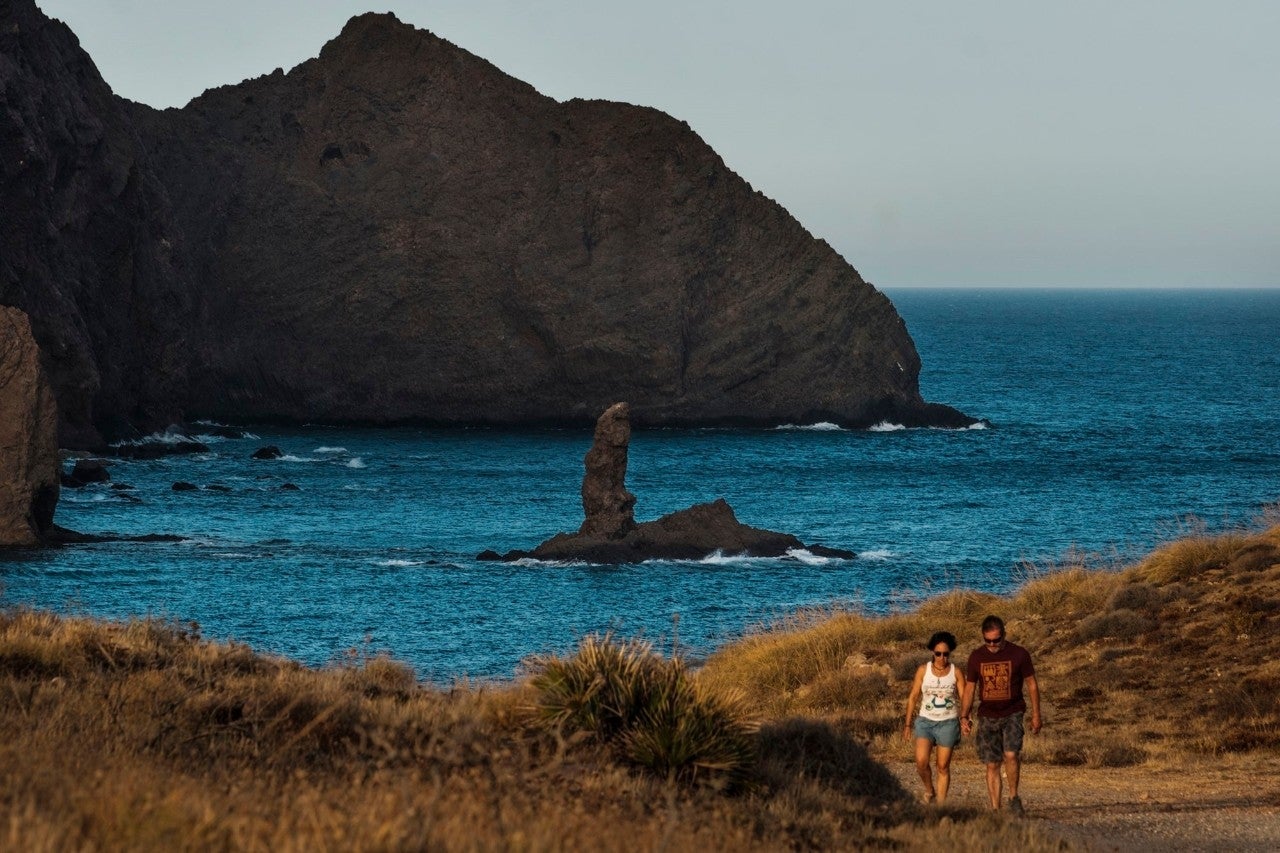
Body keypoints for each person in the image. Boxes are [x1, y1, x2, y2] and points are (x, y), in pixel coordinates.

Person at [960, 615, 1042, 816]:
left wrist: (1036, 714)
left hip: (1013, 711)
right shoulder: (976, 657)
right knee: (992, 763)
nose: (992, 645)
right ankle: (995, 809)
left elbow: (1032, 684)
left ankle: (1013, 797)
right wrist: (964, 716)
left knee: (1011, 754)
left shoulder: (1019, 654)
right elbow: (970, 688)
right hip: (987, 715)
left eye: (996, 640)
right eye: (987, 641)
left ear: (1004, 635)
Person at [903, 630, 967, 804]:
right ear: (933, 652)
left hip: (948, 722)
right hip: (925, 721)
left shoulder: (956, 672)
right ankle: (930, 790)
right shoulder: (923, 671)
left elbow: (964, 698)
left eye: (946, 654)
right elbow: (913, 697)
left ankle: (941, 806)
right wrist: (907, 725)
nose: (942, 658)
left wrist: (965, 719)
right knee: (921, 762)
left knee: (942, 766)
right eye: (938, 654)